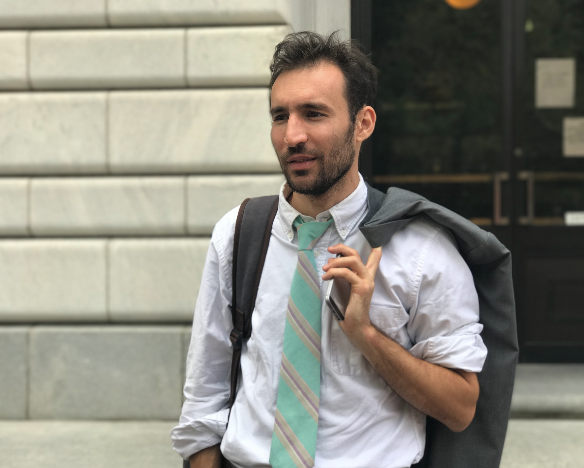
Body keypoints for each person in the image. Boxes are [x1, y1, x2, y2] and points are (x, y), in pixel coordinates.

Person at [171, 31, 487, 468]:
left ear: (363, 124)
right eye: (280, 116)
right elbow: (204, 396)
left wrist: (366, 335)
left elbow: (460, 409)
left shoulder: (420, 248)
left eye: (314, 113)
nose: (292, 135)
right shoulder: (239, 234)